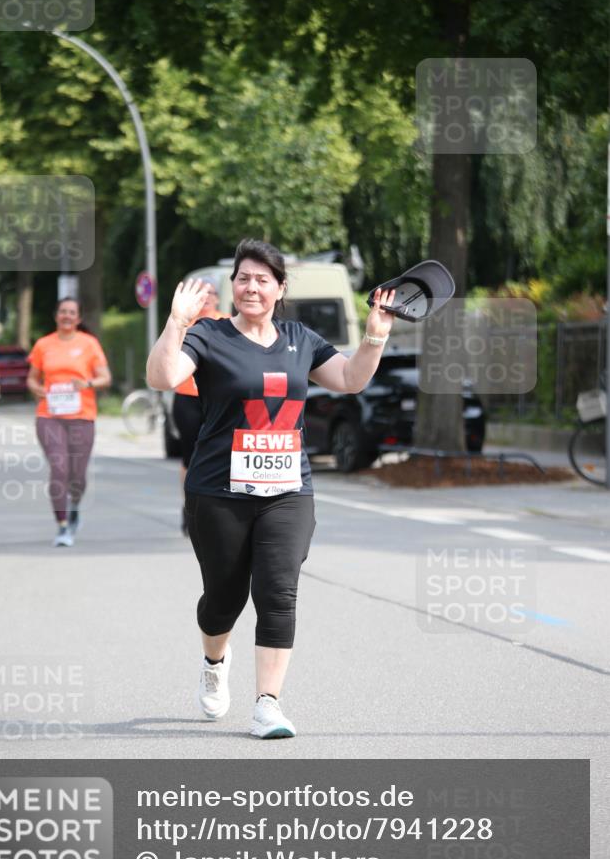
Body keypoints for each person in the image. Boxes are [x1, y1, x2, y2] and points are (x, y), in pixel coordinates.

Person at [147, 239, 395, 738]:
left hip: (288, 489)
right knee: (223, 598)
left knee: (278, 591)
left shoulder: (300, 338)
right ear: (232, 286)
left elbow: (348, 379)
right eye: (243, 278)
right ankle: (214, 661)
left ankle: (268, 704)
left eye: (263, 279)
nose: (251, 287)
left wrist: (374, 336)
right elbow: (163, 376)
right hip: (219, 490)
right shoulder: (210, 335)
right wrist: (176, 323)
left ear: (280, 289)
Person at [27, 297, 111, 547]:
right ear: (56, 315)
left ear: (79, 318)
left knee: (77, 475)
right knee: (59, 467)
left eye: (71, 313)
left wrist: (86, 383)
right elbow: (32, 378)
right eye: (62, 311)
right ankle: (62, 525)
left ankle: (74, 505)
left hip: (82, 416)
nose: (66, 316)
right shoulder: (44, 344)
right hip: (49, 415)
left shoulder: (89, 344)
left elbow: (105, 377)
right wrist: (37, 389)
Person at [172, 278, 227, 536]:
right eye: (201, 295)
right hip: (187, 398)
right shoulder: (183, 324)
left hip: (219, 399)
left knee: (221, 453)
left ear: (217, 298)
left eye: (211, 294)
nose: (206, 300)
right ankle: (190, 506)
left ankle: (219, 505)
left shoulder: (227, 323)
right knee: (190, 455)